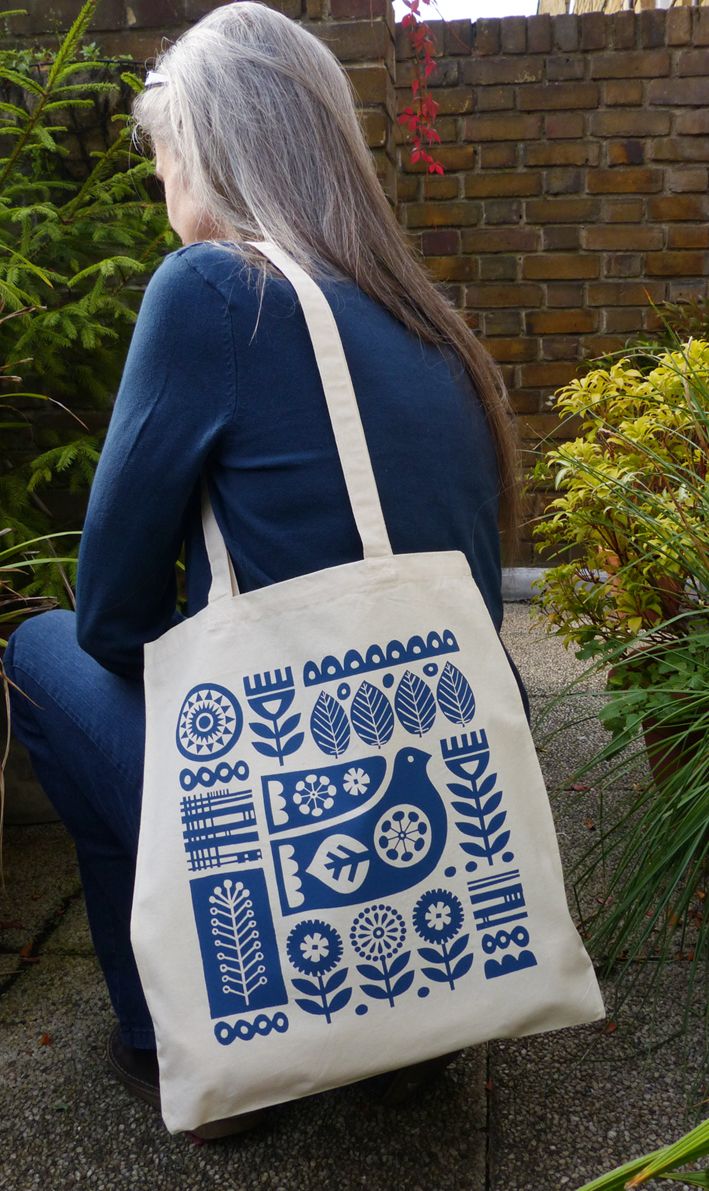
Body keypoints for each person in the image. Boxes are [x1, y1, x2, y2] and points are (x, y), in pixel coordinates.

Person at [3, 0, 531, 1140]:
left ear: (211, 151)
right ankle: (412, 1023)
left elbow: (107, 619)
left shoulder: (212, 289)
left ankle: (179, 1035)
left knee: (37, 652)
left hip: (301, 781)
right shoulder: (423, 315)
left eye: (166, 160)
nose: (162, 192)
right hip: (442, 773)